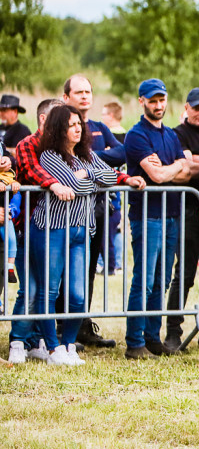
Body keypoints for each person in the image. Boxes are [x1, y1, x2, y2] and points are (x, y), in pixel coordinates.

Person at [30, 104, 123, 365]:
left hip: (82, 229)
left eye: (79, 124)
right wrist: (92, 180)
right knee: (49, 290)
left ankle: (69, 345)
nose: (77, 129)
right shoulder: (49, 155)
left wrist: (89, 173)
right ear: (58, 128)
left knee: (78, 294)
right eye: (71, 125)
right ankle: (51, 347)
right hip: (53, 228)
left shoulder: (87, 155)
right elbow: (74, 184)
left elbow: (111, 177)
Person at [123, 78, 192, 359]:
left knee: (162, 279)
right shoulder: (136, 135)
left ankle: (152, 337)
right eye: (152, 100)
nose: (158, 105)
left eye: (162, 100)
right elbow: (159, 176)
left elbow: (187, 173)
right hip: (148, 215)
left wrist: (173, 167)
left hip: (172, 214)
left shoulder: (171, 135)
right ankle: (134, 340)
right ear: (142, 102)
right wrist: (178, 164)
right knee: (145, 279)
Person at [62, 74, 126, 349]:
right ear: (66, 97)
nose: (85, 96)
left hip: (100, 208)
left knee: (89, 268)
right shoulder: (61, 125)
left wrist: (90, 161)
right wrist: (96, 166)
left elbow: (122, 152)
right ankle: (60, 327)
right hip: (69, 210)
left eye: (88, 91)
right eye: (79, 92)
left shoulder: (99, 127)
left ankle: (83, 325)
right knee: (66, 269)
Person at [9, 98, 67, 364]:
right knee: (30, 288)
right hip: (26, 228)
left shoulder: (62, 147)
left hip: (52, 228)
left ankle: (37, 341)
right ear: (44, 119)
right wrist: (56, 184)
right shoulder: (27, 144)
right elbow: (32, 172)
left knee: (48, 288)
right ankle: (18, 341)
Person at [164, 87, 199, 352]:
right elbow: (185, 167)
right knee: (184, 274)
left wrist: (197, 162)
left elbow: (196, 165)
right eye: (197, 108)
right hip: (187, 211)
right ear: (186, 108)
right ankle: (173, 331)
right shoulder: (177, 134)